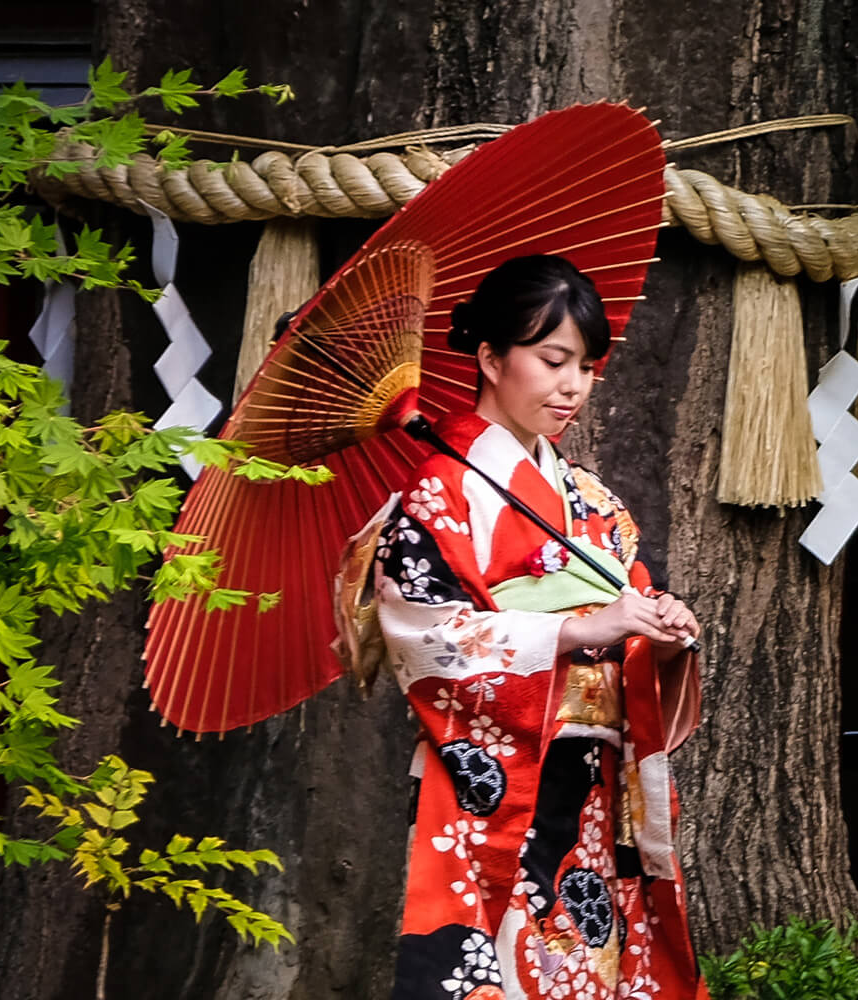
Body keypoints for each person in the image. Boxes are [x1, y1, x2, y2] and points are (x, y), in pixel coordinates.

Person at [371, 255, 706, 1000]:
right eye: (553, 360)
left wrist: (660, 628)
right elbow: (422, 632)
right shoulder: (439, 490)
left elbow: (630, 605)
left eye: (586, 367)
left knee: (583, 969)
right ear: (490, 358)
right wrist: (577, 629)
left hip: (587, 783)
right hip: (491, 774)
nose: (572, 387)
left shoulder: (590, 498)